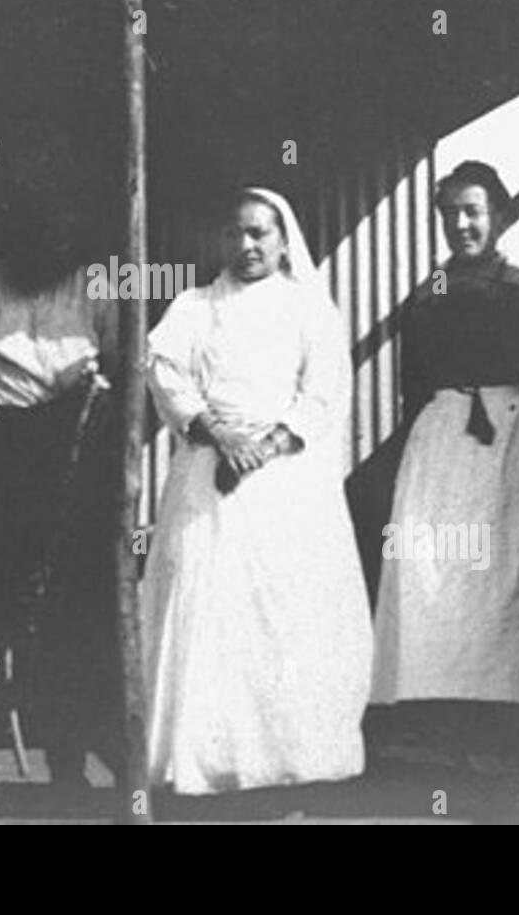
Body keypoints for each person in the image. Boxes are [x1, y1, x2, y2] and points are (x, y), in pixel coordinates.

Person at [143, 187, 373, 796]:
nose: (246, 246)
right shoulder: (194, 306)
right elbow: (166, 374)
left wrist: (264, 447)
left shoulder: (310, 309)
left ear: (281, 237)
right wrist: (219, 436)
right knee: (208, 611)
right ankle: (206, 762)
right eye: (235, 233)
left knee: (280, 614)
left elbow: (322, 393)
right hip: (207, 477)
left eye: (259, 234)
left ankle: (287, 760)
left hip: (284, 485)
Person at [0, 197, 121, 791]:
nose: (49, 240)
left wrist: (99, 402)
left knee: (65, 611)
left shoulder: (99, 288)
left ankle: (67, 757)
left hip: (72, 453)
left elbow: (126, 370)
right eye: (37, 226)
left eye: (61, 229)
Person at [370, 163, 519, 760]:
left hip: (507, 436)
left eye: (474, 211)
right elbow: (412, 384)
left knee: (497, 573)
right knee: (428, 566)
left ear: (499, 215)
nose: (462, 224)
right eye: (451, 213)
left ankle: (494, 722)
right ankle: (429, 717)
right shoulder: (428, 295)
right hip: (441, 435)